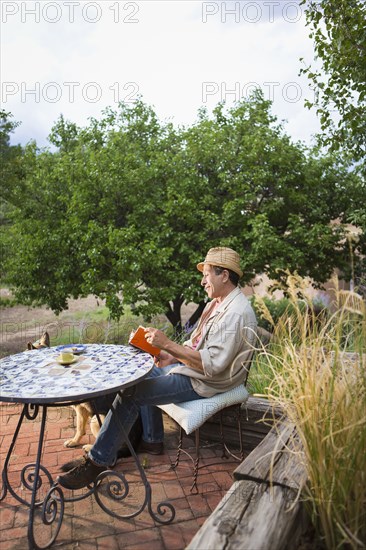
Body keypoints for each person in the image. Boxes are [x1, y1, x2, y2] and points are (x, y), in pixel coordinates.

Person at [57, 246, 257, 490]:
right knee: (139, 370)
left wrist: (169, 344)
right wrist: (166, 355)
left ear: (224, 275)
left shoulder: (237, 313)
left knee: (131, 394)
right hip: (193, 370)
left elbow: (212, 366)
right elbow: (194, 345)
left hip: (205, 382)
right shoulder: (215, 304)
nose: (202, 280)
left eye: (207, 274)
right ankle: (152, 440)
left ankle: (98, 459)